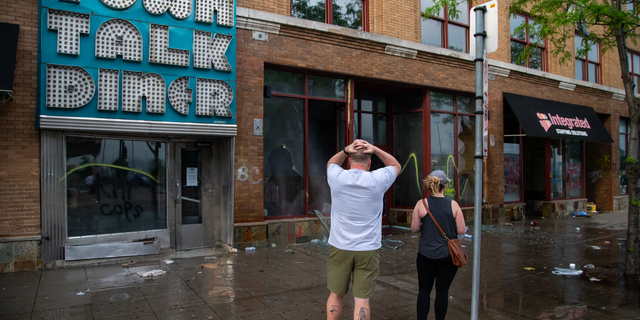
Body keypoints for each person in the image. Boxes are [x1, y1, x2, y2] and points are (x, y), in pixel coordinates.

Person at [325, 139, 401, 320]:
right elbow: (395, 165)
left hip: (340, 247)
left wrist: (345, 150)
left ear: (349, 161)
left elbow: (331, 163)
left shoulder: (337, 177)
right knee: (362, 300)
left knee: (335, 295)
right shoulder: (377, 180)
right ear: (369, 164)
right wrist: (374, 149)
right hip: (368, 249)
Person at [411, 170, 466, 320]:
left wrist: (427, 226)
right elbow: (461, 230)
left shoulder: (421, 204)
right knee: (442, 291)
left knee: (424, 290)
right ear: (445, 185)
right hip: (448, 256)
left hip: (425, 255)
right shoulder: (453, 205)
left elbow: (415, 228)